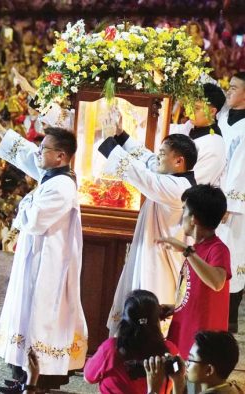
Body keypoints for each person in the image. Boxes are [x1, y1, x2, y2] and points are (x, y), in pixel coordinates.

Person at [0, 103, 87, 393]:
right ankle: (22, 374)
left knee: (41, 317)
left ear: (60, 156)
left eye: (44, 148)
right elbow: (25, 154)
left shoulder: (62, 186)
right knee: (25, 312)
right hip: (36, 258)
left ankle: (39, 378)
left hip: (50, 266)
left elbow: (33, 220)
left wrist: (24, 203)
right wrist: (1, 130)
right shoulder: (52, 174)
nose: (38, 151)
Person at [99, 110, 199, 335]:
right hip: (147, 252)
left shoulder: (179, 189)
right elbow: (146, 158)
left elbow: (144, 177)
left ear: (178, 161)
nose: (158, 157)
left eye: (162, 154)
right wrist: (120, 135)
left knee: (149, 311)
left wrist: (108, 142)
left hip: (159, 262)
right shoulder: (170, 173)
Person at [158, 184, 231, 357]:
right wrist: (173, 308)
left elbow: (217, 282)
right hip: (184, 332)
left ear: (194, 218)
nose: (181, 217)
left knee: (194, 384)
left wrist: (186, 251)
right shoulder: (196, 249)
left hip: (201, 345)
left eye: (184, 210)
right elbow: (194, 292)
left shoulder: (218, 249)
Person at [84, 290, 179, 394]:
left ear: (125, 319)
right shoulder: (170, 351)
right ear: (158, 319)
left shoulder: (111, 348)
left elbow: (88, 377)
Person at [216, 72, 245, 332]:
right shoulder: (223, 117)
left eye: (234, 88)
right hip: (214, 195)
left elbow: (240, 169)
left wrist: (228, 203)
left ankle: (229, 316)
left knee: (234, 254)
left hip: (235, 206)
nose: (229, 92)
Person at [145, 331, 242, 394]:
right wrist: (178, 381)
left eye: (190, 360)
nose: (186, 363)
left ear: (209, 370)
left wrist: (153, 390)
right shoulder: (232, 388)